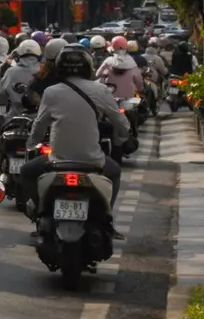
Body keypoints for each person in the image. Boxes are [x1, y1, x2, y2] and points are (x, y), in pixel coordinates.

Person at [17, 43, 129, 209]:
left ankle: (40, 211)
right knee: (115, 173)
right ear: (88, 66)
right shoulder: (101, 90)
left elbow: (39, 125)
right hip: (93, 161)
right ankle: (108, 218)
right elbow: (121, 124)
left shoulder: (51, 92)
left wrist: (31, 144)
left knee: (26, 171)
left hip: (56, 160)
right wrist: (121, 139)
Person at [0, 38, 44, 113]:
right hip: (39, 117)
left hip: (14, 116)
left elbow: (1, 94)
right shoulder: (43, 71)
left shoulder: (11, 71)